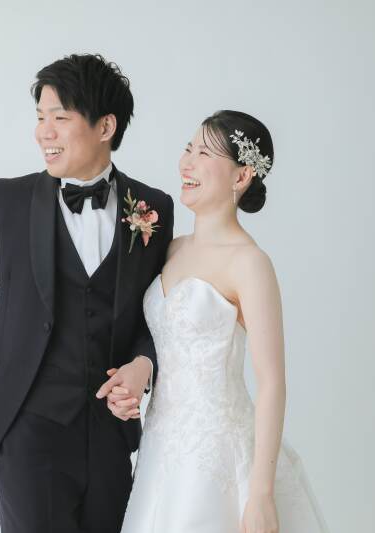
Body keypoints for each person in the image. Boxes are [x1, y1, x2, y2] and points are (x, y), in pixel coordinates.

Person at [0, 53, 174, 533]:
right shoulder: (5, 201)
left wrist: (144, 364)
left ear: (105, 126)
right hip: (27, 430)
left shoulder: (152, 208)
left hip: (113, 437)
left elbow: (159, 315)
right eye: (40, 118)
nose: (43, 133)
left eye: (60, 118)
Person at [113, 110, 330, 532]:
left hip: (216, 459)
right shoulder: (173, 249)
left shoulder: (249, 263)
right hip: (159, 452)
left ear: (241, 175)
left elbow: (272, 383)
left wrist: (261, 492)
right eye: (188, 149)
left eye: (204, 154)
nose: (187, 163)